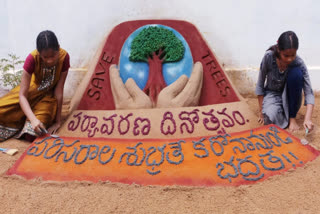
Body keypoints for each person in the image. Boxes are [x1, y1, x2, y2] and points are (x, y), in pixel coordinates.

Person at [0, 30, 70, 142]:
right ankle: (26, 120)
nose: (50, 60)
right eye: (45, 57)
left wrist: (57, 121)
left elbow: (59, 91)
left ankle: (25, 124)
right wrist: (32, 119)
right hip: (30, 92)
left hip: (48, 98)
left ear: (58, 47)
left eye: (53, 56)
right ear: (39, 53)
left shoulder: (64, 57)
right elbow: (22, 95)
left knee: (33, 134)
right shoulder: (32, 58)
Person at [256, 31, 314, 132]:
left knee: (296, 73)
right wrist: (261, 112)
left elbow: (309, 92)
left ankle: (291, 118)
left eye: (293, 55)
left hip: (291, 97)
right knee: (269, 119)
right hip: (272, 94)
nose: (290, 59)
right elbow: (260, 84)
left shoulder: (299, 63)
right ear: (278, 50)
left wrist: (307, 119)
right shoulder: (268, 57)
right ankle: (279, 113)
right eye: (286, 56)